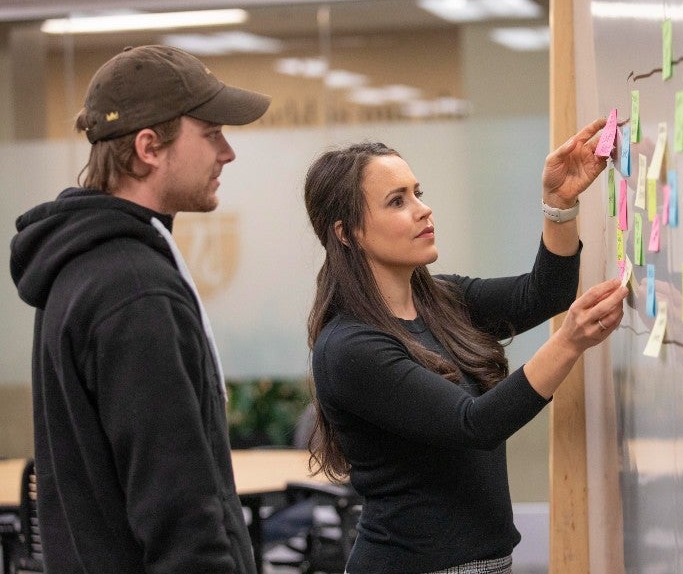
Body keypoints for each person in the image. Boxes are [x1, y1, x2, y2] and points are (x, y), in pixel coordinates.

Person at [302, 118, 629, 574]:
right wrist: (570, 341)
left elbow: (544, 295)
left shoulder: (442, 300)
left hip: (486, 563)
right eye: (398, 201)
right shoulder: (350, 346)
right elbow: (475, 424)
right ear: (347, 232)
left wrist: (559, 203)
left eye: (418, 192)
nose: (423, 209)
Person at [9, 45, 270, 573]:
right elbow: (177, 509)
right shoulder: (134, 292)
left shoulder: (83, 268)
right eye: (212, 132)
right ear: (150, 147)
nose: (228, 152)